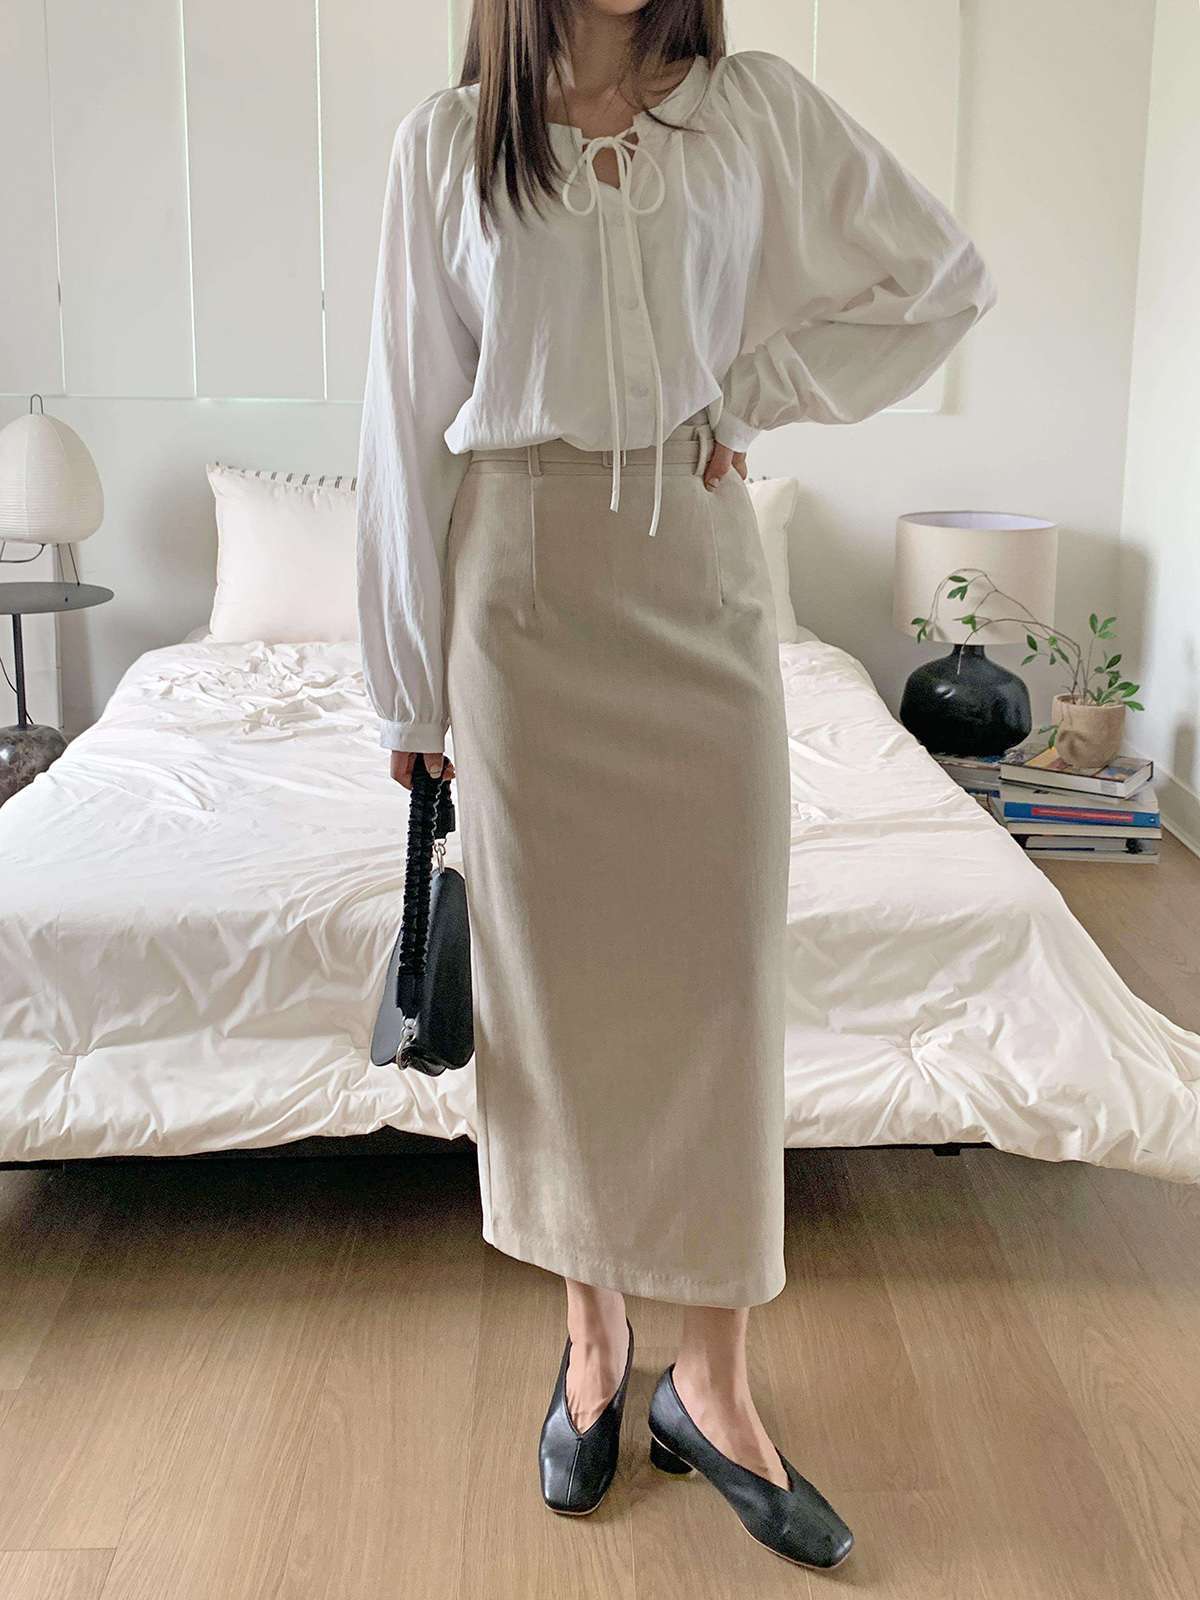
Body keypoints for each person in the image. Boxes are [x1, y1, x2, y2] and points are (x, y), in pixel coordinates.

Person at [355, 0, 996, 1569]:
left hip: (695, 582)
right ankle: (595, 1344)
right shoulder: (451, 144)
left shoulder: (750, 112)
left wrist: (755, 389)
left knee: (720, 987)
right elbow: (403, 421)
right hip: (518, 597)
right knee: (560, 998)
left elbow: (941, 278)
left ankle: (715, 1382)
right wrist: (407, 678)